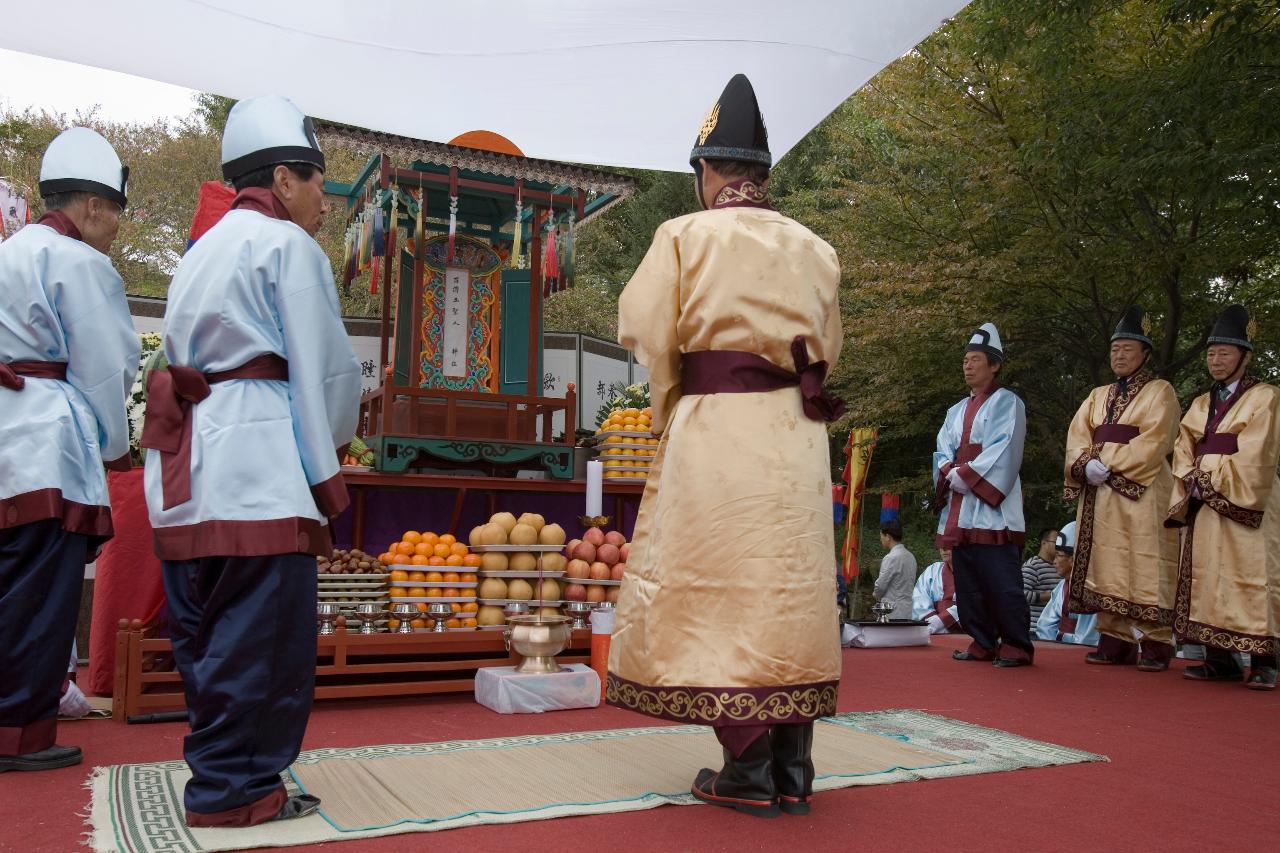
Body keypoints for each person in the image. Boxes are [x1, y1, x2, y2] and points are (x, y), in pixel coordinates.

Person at [607, 73, 844, 819]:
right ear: (764, 175)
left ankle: (745, 768)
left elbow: (642, 328)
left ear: (709, 172)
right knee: (786, 590)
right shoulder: (816, 248)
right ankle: (793, 768)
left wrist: (668, 396)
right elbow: (827, 348)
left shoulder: (683, 235)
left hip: (717, 426)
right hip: (795, 434)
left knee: (715, 591)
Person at [142, 96, 362, 824]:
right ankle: (236, 791)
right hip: (260, 461)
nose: (326, 201)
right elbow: (325, 369)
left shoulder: (199, 250)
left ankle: (220, 775)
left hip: (190, 459)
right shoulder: (288, 248)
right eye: (319, 181)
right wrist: (327, 459)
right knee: (263, 641)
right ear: (284, 178)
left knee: (207, 635)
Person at [0, 128, 138, 773]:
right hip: (46, 443)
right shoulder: (80, 262)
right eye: (113, 214)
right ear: (90, 206)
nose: (112, 230)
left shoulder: (8, 251)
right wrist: (114, 445)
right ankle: (21, 733)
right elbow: (107, 366)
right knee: (38, 594)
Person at [1165, 304, 1280, 691]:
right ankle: (1219, 657)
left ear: (1245, 357)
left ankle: (1265, 660)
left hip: (1246, 498)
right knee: (1206, 574)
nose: (1216, 360)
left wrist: (1207, 478)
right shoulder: (1200, 403)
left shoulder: (1265, 397)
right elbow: (1183, 446)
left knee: (1253, 575)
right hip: (1203, 498)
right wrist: (1191, 478)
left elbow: (1258, 452)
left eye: (1225, 353)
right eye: (1212, 353)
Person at [1063, 307, 1181, 670]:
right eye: (1115, 349)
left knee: (1145, 560)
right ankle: (1115, 638)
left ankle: (1157, 641)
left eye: (1127, 348)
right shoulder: (1097, 394)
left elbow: (1158, 438)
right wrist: (1084, 464)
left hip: (1140, 491)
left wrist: (1109, 465)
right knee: (1104, 561)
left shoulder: (1160, 391)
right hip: (1099, 493)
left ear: (1145, 353)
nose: (1119, 355)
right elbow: (1077, 436)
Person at [933, 323, 1033, 667]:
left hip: (992, 506)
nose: (968, 365)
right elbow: (941, 449)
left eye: (975, 359)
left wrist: (966, 474)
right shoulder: (955, 410)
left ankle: (1017, 643)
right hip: (961, 501)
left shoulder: (1009, 403)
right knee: (968, 576)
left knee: (1000, 577)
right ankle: (982, 639)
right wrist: (949, 470)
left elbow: (1004, 449)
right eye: (966, 359)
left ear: (994, 365)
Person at [1035, 523, 1100, 646]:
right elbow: (1045, 624)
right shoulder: (1061, 586)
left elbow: (1088, 637)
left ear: (1073, 559)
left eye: (1058, 556)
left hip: (1082, 650)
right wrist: (1052, 645)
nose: (1054, 561)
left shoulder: (1091, 589)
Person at [911, 549, 962, 634]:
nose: (943, 549)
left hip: (968, 636)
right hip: (932, 635)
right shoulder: (932, 570)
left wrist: (939, 622)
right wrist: (932, 624)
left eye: (949, 544)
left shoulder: (977, 571)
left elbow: (975, 603)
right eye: (941, 544)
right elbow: (919, 599)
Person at [873, 520, 915, 619]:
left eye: (881, 536)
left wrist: (875, 594)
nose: (881, 539)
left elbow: (880, 586)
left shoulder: (891, 558)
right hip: (909, 609)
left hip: (892, 610)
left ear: (888, 537)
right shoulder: (911, 556)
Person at [1021, 528, 1060, 629]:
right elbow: (1022, 595)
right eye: (1056, 542)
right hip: (1035, 628)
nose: (1059, 546)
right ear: (1044, 543)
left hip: (1053, 629)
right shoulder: (1032, 566)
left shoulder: (1059, 566)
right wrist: (1054, 595)